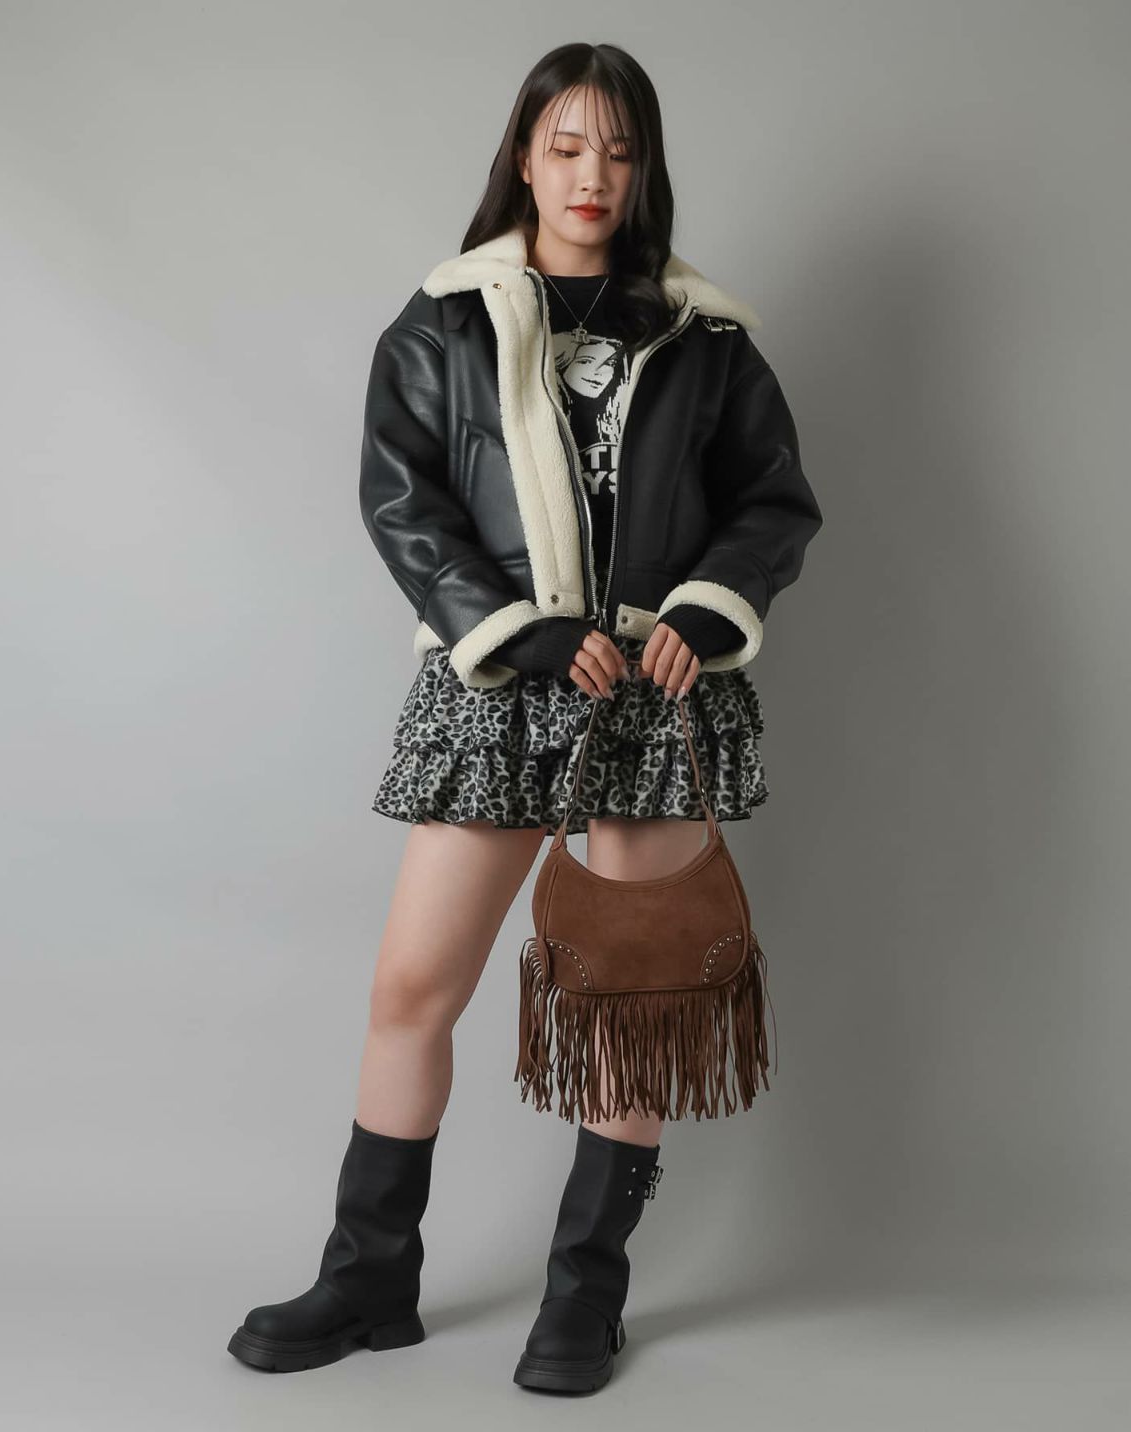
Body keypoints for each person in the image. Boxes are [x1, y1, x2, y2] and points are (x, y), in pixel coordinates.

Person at [226, 40, 823, 1395]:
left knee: (633, 1003)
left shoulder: (708, 340)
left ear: (644, 167)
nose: (591, 174)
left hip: (653, 694)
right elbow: (403, 501)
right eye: (566, 146)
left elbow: (772, 503)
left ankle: (585, 1294)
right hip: (499, 687)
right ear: (523, 157)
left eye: (618, 148)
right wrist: (516, 627)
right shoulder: (441, 323)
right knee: (411, 989)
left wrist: (705, 609)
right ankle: (369, 1279)